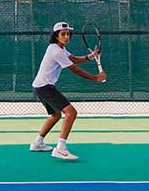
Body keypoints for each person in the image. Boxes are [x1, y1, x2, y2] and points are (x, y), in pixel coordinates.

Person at [29, 21, 105, 161]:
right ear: (56, 36)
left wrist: (90, 56)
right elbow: (74, 68)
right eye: (63, 34)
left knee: (56, 115)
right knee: (71, 113)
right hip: (45, 87)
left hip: (39, 86)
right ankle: (60, 148)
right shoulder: (56, 50)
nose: (66, 36)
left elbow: (73, 59)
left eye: (68, 34)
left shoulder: (58, 48)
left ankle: (37, 143)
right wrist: (95, 78)